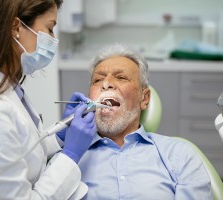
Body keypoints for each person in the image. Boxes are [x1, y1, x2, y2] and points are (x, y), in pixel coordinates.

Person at [0, 0, 96, 199]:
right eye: (50, 29)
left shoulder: (8, 89)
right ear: (16, 27)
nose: (52, 39)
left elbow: (22, 151)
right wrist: (70, 155)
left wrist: (60, 137)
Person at [78, 44, 213, 199]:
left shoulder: (180, 154)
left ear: (144, 98)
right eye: (98, 80)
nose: (106, 84)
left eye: (121, 77)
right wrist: (67, 155)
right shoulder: (69, 158)